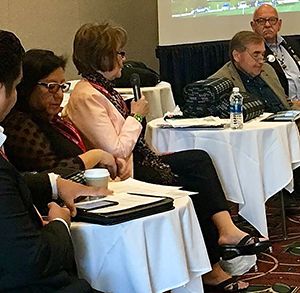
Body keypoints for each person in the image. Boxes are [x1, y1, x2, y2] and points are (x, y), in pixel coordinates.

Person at [62, 22, 271, 291]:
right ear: (102, 56)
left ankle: (224, 235)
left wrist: (155, 152)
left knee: (197, 159)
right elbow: (115, 150)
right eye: (119, 53)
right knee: (189, 189)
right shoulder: (86, 95)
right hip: (120, 175)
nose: (124, 59)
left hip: (137, 162)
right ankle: (212, 268)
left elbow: (131, 143)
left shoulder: (105, 89)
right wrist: (136, 115)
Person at [0, 30, 114, 293]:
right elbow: (32, 261)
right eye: (16, 87)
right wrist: (60, 223)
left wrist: (54, 184)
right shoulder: (22, 127)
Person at [2, 49, 117, 178]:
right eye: (51, 87)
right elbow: (51, 172)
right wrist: (96, 156)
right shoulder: (19, 124)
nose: (59, 95)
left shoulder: (53, 119)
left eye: (62, 86)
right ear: (28, 86)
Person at [210, 30, 298, 113]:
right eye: (256, 55)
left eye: (263, 54)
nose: (261, 61)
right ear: (236, 56)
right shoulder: (221, 82)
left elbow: (286, 102)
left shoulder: (267, 69)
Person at [251, 4, 300, 100]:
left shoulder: (293, 44)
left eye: (272, 20)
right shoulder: (253, 53)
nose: (267, 25)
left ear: (279, 24)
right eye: (261, 21)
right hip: (285, 107)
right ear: (253, 26)